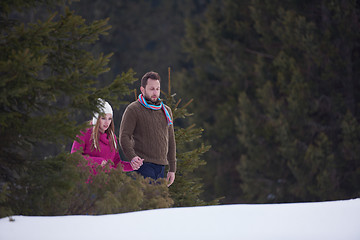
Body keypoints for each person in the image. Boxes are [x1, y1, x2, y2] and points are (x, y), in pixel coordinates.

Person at [119, 71, 176, 187]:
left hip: (161, 167)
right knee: (147, 202)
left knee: (159, 202)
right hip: (143, 166)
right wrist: (132, 157)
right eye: (151, 89)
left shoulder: (166, 111)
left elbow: (171, 140)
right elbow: (124, 136)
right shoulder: (133, 109)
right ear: (142, 89)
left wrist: (172, 169)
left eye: (157, 89)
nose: (155, 92)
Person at [71, 99, 143, 183]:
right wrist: (98, 161)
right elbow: (74, 158)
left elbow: (116, 163)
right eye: (103, 118)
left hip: (106, 186)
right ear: (96, 118)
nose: (107, 122)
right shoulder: (84, 133)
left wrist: (132, 166)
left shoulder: (112, 138)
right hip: (87, 186)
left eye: (109, 119)